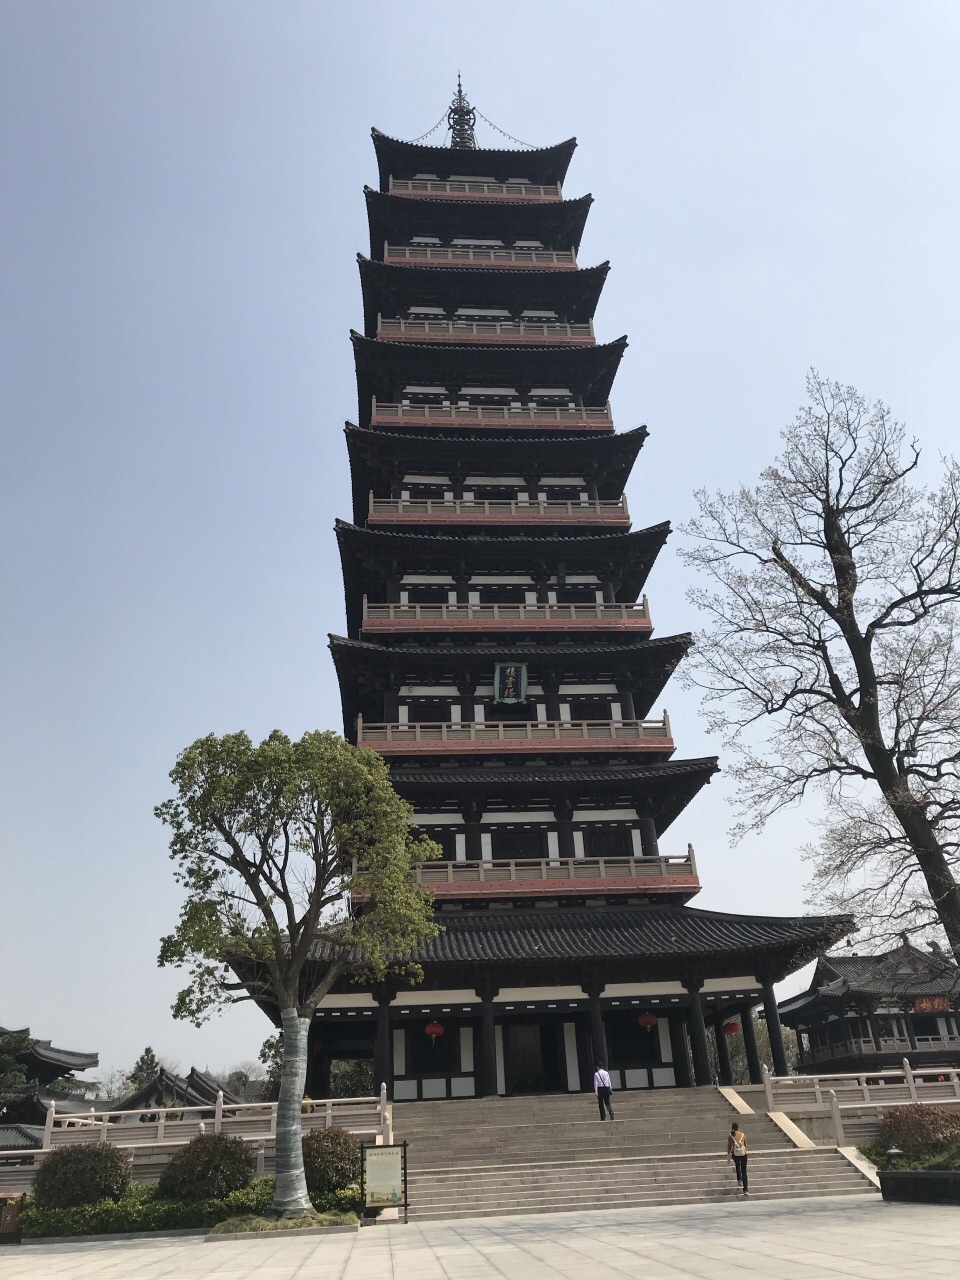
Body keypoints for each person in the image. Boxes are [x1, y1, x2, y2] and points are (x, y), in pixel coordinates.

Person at [727, 1122, 748, 1196]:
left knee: (737, 1166)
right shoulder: (742, 1134)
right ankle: (745, 1189)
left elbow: (729, 1147)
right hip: (743, 1154)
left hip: (735, 1154)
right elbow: (745, 1145)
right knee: (744, 1171)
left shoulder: (730, 1135)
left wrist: (728, 1156)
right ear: (738, 1128)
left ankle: (739, 1180)